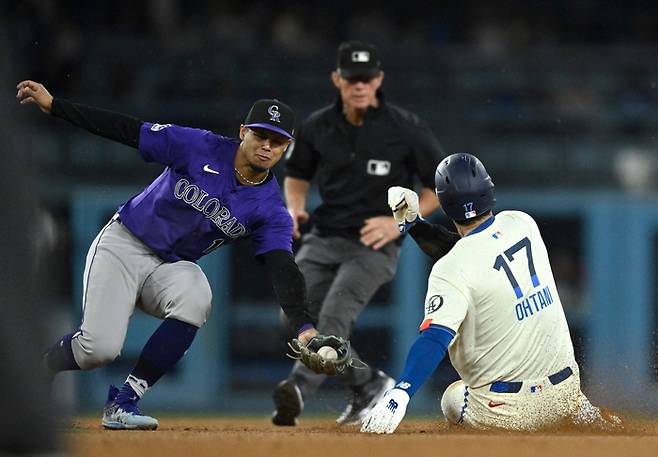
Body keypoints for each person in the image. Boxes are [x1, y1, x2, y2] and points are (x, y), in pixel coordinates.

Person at [16, 80, 330, 431]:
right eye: (260, 135)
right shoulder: (198, 145)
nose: (266, 146)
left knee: (197, 296)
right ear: (243, 132)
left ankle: (124, 401)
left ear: (287, 147)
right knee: (97, 351)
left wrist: (304, 327)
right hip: (125, 244)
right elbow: (127, 130)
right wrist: (55, 105)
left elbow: (282, 267)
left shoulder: (271, 209)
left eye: (277, 141)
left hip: (170, 268)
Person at [361, 153, 616, 433]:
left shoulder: (451, 268)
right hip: (565, 396)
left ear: (445, 204)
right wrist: (415, 225)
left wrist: (402, 391)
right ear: (488, 189)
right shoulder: (523, 223)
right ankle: (579, 411)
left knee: (452, 399)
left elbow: (435, 338)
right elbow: (475, 253)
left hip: (508, 411)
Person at [272, 40, 444, 426]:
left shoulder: (405, 128)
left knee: (335, 312)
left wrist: (397, 221)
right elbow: (297, 174)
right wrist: (295, 207)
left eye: (367, 78)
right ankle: (366, 383)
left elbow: (436, 189)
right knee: (293, 313)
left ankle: (297, 387)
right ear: (337, 79)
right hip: (324, 236)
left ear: (379, 79)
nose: (360, 85)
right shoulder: (318, 126)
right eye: (352, 78)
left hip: (374, 246)